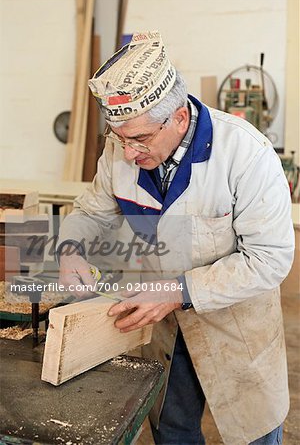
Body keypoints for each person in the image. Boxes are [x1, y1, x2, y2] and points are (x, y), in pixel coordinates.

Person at [57, 31, 294, 445]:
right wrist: (70, 249)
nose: (128, 153)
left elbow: (269, 259)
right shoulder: (121, 151)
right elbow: (91, 212)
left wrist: (177, 290)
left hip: (234, 326)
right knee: (173, 431)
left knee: (252, 432)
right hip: (163, 329)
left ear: (179, 118)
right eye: (119, 138)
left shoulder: (246, 155)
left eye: (140, 139)